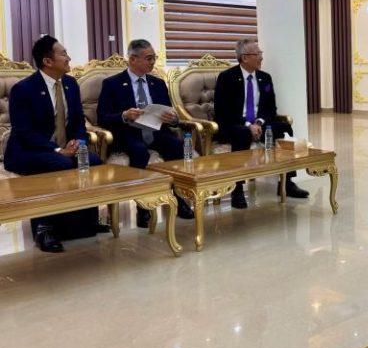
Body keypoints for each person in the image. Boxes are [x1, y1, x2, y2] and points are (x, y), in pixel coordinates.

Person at [4, 35, 106, 252]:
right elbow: (24, 132)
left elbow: (78, 122)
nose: (69, 58)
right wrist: (59, 150)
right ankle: (44, 227)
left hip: (64, 147)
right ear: (47, 61)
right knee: (59, 163)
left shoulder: (70, 84)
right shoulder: (23, 89)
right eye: (63, 54)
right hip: (28, 150)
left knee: (93, 160)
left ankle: (86, 222)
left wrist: (78, 142)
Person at [96, 39, 194, 227]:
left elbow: (172, 114)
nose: (153, 62)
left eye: (154, 58)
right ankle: (142, 207)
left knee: (176, 145)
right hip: (129, 134)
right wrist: (124, 116)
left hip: (156, 132)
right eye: (149, 58)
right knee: (139, 151)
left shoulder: (158, 83)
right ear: (133, 59)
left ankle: (178, 197)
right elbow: (102, 117)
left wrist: (172, 119)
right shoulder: (112, 84)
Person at [214, 38, 309, 208]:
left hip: (259, 124)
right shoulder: (226, 77)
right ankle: (237, 188)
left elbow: (271, 108)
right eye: (257, 54)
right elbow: (223, 111)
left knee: (284, 128)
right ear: (244, 57)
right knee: (242, 133)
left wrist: (258, 122)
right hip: (235, 124)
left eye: (260, 53)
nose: (261, 57)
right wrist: (247, 125)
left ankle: (287, 182)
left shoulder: (265, 78)